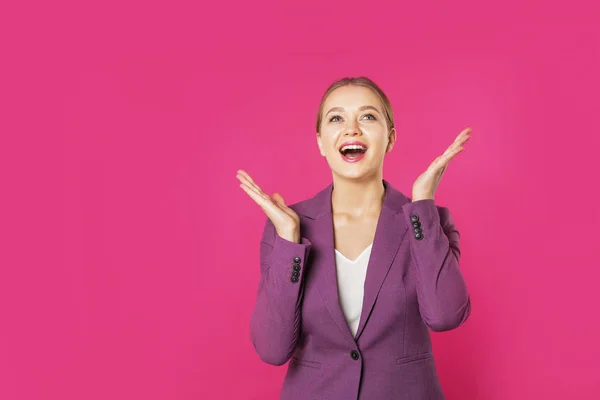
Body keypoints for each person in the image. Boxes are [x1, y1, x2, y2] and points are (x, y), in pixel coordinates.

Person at [236, 76, 472, 400]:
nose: (352, 129)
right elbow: (271, 348)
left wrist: (422, 206)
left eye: (368, 116)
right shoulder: (287, 226)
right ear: (320, 141)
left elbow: (446, 316)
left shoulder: (428, 222)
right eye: (336, 118)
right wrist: (290, 241)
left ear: (389, 139)